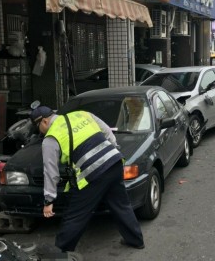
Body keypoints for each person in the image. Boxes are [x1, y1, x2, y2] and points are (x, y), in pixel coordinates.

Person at [32, 105, 145, 252]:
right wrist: (111, 152)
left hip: (94, 174)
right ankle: (136, 240)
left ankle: (59, 257)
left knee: (75, 216)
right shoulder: (81, 114)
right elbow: (108, 132)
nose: (39, 131)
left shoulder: (50, 138)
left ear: (44, 122)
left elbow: (51, 172)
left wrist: (49, 200)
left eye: (37, 127)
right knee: (121, 205)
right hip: (114, 162)